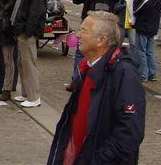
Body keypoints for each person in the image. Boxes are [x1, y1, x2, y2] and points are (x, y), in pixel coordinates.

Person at [47, 11, 145, 165]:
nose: (77, 35)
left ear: (101, 40)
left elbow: (130, 132)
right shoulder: (87, 67)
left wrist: (99, 159)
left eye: (84, 31)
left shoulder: (124, 74)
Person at [69, 0, 120, 91]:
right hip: (105, 23)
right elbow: (117, 1)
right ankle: (102, 79)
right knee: (105, 51)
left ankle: (77, 80)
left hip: (88, 21)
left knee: (81, 52)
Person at [10, 0, 46, 108]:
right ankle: (26, 93)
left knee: (29, 64)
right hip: (22, 30)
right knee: (22, 63)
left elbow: (35, 13)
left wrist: (27, 30)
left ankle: (34, 96)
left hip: (27, 32)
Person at [133, 0, 161, 82]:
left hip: (143, 28)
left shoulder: (148, 0)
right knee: (150, 52)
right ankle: (152, 73)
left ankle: (143, 74)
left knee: (141, 51)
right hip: (152, 28)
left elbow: (136, 10)